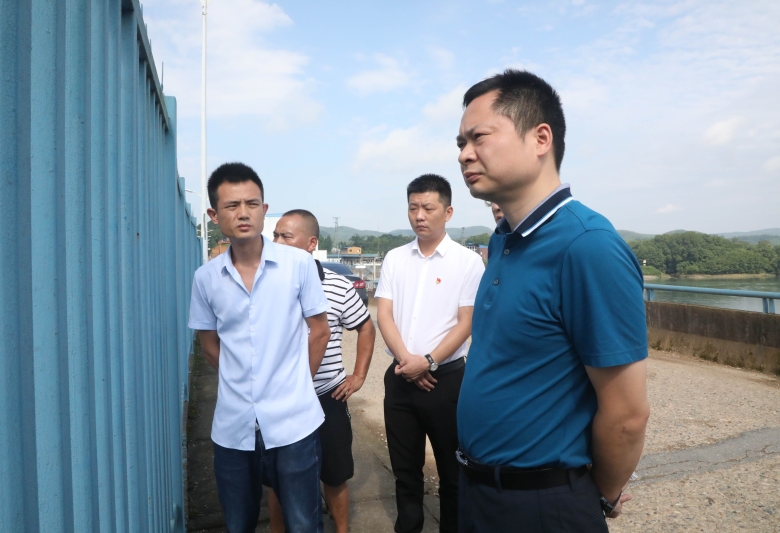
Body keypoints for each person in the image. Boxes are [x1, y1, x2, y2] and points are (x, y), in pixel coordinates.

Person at [455, 70, 650, 532]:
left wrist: (597, 496)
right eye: (460, 143)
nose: (464, 154)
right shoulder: (502, 240)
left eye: (479, 137)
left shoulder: (587, 246)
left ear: (540, 138)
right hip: (479, 492)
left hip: (542, 505)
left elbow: (627, 414)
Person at [187, 163, 331, 533]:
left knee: (303, 523)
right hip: (233, 427)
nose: (243, 213)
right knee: (238, 524)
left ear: (264, 210)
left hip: (294, 423)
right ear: (214, 215)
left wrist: (297, 384)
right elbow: (209, 344)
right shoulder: (206, 278)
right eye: (232, 205)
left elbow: (320, 331)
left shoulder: (299, 265)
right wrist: (243, 382)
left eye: (252, 204)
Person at [376, 174, 485, 533]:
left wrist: (429, 361)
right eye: (413, 208)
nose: (419, 216)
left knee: (453, 474)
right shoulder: (395, 258)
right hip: (400, 380)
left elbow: (467, 321)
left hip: (446, 382)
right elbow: (384, 314)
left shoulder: (468, 262)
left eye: (428, 208)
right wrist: (407, 361)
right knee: (405, 472)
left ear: (447, 212)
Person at [269, 209, 377, 533]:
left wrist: (358, 376)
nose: (277, 242)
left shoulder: (338, 286)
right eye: (275, 235)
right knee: (277, 479)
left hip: (327, 396)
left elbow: (366, 327)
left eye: (286, 236)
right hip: (281, 400)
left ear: (311, 243)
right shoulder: (264, 284)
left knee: (334, 473)